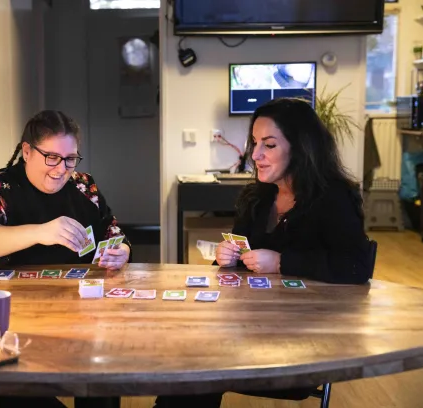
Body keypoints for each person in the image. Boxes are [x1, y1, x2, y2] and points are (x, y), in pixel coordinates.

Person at [154, 98, 374, 407]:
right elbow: (239, 257)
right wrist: (224, 255)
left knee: (195, 363)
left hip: (305, 342)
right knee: (189, 353)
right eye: (254, 143)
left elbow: (356, 266)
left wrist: (282, 262)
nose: (254, 154)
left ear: (300, 148)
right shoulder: (258, 194)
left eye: (268, 145)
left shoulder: (333, 198)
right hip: (247, 326)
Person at [0, 110, 129, 408]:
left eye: (70, 158)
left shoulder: (83, 185)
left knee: (102, 373)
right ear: (27, 152)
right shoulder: (1, 186)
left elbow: (113, 230)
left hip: (83, 309)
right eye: (51, 157)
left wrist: (122, 251)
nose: (61, 169)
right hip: (22, 313)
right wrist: (40, 232)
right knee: (21, 387)